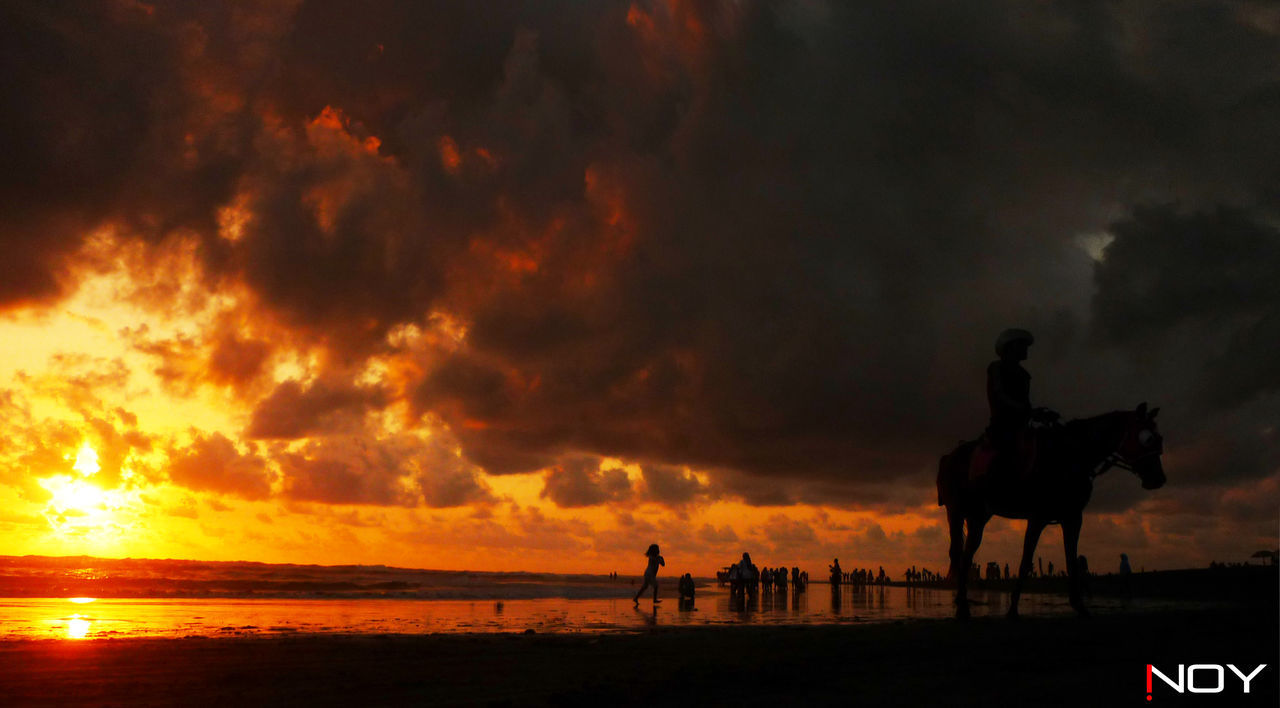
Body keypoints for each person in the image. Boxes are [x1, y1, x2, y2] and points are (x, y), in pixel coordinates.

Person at [987, 328, 1057, 477]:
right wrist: (1028, 411)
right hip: (1003, 424)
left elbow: (1025, 402)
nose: (1026, 349)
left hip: (1022, 425)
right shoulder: (996, 368)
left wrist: (1039, 414)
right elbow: (1000, 396)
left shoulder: (1024, 375)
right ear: (1010, 347)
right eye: (1022, 345)